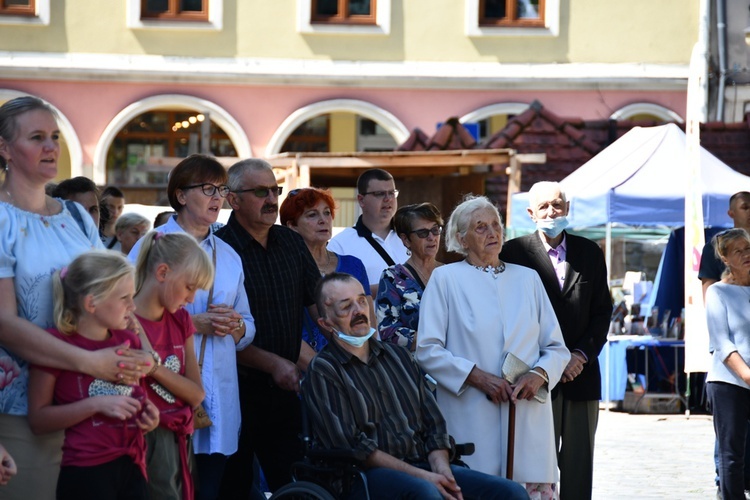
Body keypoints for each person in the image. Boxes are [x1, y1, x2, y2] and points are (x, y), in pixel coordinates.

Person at [0, 95, 149, 499]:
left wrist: (138, 365)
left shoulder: (76, 215)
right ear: (4, 148)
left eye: (54, 136)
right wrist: (90, 361)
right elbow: (5, 322)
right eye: (36, 137)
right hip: (23, 406)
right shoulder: (1, 218)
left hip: (93, 402)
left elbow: (108, 293)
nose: (51, 147)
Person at [304, 272, 529, 500]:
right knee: (426, 493)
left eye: (362, 301)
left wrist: (442, 471)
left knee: (511, 492)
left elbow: (434, 425)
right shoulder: (324, 369)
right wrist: (424, 477)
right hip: (361, 476)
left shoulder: (399, 357)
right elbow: (355, 447)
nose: (359, 311)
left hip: (423, 466)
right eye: (346, 306)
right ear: (326, 323)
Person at [417, 195, 569, 498]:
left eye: (496, 225)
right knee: (479, 487)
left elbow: (556, 347)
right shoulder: (445, 279)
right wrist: (477, 377)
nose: (492, 233)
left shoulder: (528, 279)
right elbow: (428, 349)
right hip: (471, 411)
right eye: (480, 227)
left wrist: (538, 373)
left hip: (526, 412)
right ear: (461, 238)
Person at [128, 154, 255, 500]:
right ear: (181, 195)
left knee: (210, 490)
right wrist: (192, 324)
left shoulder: (229, 255)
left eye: (222, 190)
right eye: (208, 188)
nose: (218, 198)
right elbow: (124, 311)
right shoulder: (151, 245)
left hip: (218, 394)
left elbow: (249, 323)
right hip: (163, 390)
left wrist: (237, 327)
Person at [500, 181, 611, 500]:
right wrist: (548, 363)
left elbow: (603, 310)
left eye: (558, 205)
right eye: (545, 206)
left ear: (568, 209)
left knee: (578, 464)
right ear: (531, 213)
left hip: (581, 374)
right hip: (533, 376)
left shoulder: (589, 251)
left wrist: (579, 355)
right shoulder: (513, 253)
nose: (552, 211)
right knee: (534, 464)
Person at [216, 159, 320, 497]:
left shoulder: (291, 243)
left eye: (274, 190)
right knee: (234, 487)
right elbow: (221, 329)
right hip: (234, 389)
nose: (272, 199)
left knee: (294, 484)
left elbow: (319, 304)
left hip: (287, 391)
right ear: (233, 200)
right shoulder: (218, 250)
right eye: (261, 192)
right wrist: (273, 364)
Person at [27, 251, 160, 500]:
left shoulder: (128, 341)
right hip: (85, 470)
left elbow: (135, 394)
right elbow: (39, 420)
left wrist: (149, 415)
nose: (133, 306)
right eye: (124, 298)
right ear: (91, 303)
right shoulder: (55, 347)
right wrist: (95, 405)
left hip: (134, 463)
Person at [133, 231, 213, 500]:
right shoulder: (123, 321)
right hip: (140, 440)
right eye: (189, 287)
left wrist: (154, 367)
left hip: (178, 440)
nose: (191, 299)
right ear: (163, 272)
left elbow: (196, 394)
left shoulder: (180, 321)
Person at [698, 192, 750, 496]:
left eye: (749, 248)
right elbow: (722, 342)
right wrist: (746, 375)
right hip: (729, 381)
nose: (746, 254)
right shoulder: (718, 292)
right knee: (731, 455)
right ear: (725, 259)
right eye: (738, 251)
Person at [279, 186, 371, 351]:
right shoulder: (284, 270)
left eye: (327, 212)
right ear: (292, 226)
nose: (323, 220)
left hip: (352, 363)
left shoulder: (353, 265)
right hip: (304, 367)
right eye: (312, 215)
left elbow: (369, 325)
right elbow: (281, 332)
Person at [327, 168, 408, 296]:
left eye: (391, 193)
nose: (388, 199)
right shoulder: (340, 245)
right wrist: (389, 287)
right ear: (361, 200)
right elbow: (336, 294)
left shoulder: (410, 236)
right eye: (380, 193)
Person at [376, 203, 443, 351]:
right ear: (406, 240)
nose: (431, 237)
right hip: (413, 367)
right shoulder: (392, 277)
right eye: (423, 233)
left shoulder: (451, 273)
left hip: (454, 365)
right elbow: (389, 331)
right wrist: (437, 338)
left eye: (435, 230)